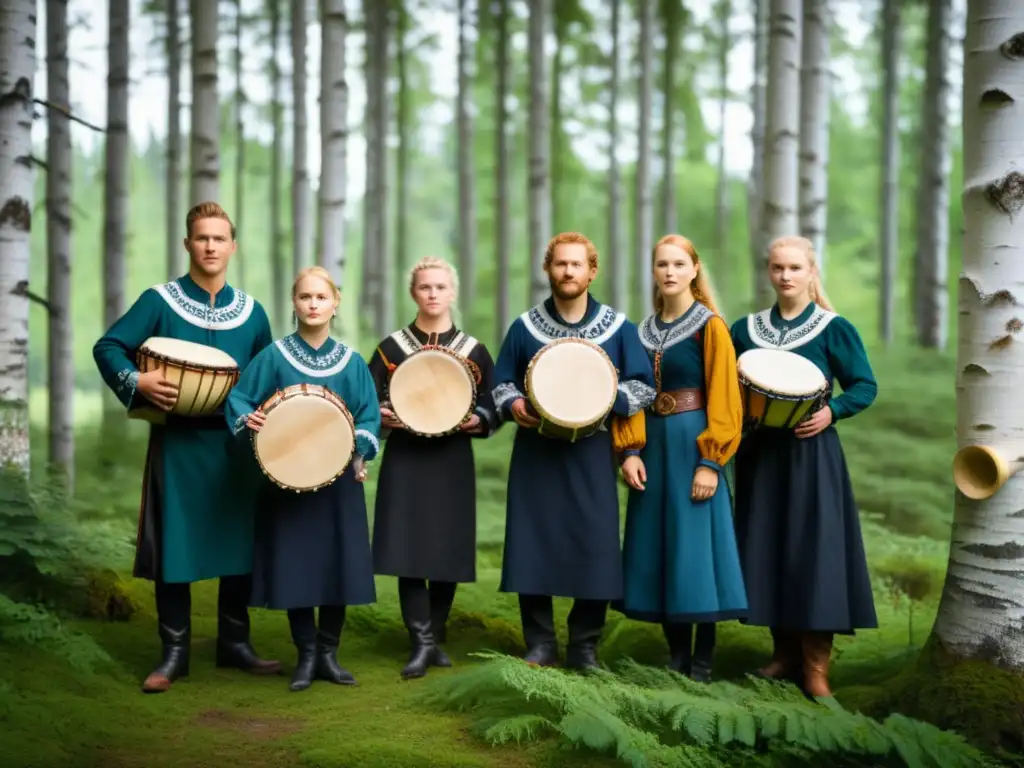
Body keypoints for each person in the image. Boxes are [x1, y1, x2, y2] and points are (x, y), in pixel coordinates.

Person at [93, 201, 281, 693]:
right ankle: (174, 653)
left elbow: (267, 374)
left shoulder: (253, 312)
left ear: (233, 246)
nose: (211, 246)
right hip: (177, 441)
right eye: (202, 238)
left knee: (239, 542)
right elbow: (108, 347)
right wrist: (136, 380)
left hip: (238, 447)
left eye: (220, 238)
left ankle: (234, 644)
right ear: (187, 244)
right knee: (175, 545)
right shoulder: (159, 300)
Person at [491, 232, 656, 669]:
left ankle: (584, 646)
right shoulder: (524, 327)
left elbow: (643, 388)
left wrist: (606, 401)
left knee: (595, 545)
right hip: (536, 451)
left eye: (576, 265)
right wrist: (513, 403)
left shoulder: (619, 328)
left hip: (591, 451)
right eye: (560, 264)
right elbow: (501, 384)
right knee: (532, 543)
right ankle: (541, 644)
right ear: (549, 269)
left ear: (591, 271)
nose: (568, 271)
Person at [730, 235, 878, 699]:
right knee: (769, 549)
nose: (786, 276)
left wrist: (833, 410)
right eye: (777, 268)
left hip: (812, 457)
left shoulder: (834, 328)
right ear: (768, 272)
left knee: (813, 553)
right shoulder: (745, 329)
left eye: (795, 268)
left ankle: (816, 667)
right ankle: (784, 655)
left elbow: (864, 385)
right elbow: (727, 388)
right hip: (760, 457)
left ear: (812, 272)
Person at [223, 266, 382, 692]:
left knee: (337, 567)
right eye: (305, 297)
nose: (313, 304)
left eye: (321, 297)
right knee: (297, 567)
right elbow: (239, 399)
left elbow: (368, 415)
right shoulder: (273, 357)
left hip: (339, 484)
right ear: (294, 303)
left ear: (335, 303)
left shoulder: (351, 362)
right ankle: (306, 653)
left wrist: (359, 453)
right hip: (285, 482)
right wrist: (248, 418)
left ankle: (329, 654)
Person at [611, 235, 747, 683]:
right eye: (661, 264)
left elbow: (726, 397)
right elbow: (629, 393)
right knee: (663, 546)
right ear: (654, 271)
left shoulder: (711, 327)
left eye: (678, 264)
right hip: (652, 447)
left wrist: (712, 462)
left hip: (694, 442)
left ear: (694, 269)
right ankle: (675, 658)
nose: (669, 272)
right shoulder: (638, 331)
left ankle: (703, 663)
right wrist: (629, 450)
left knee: (696, 550)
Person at [368, 256, 500, 679]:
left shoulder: (474, 352)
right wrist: (381, 417)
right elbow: (367, 403)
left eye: (440, 287)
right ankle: (420, 642)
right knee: (410, 550)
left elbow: (494, 402)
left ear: (452, 292)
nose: (432, 294)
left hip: (451, 458)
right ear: (414, 293)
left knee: (447, 549)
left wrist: (480, 419)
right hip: (407, 457)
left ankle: (435, 634)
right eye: (425, 287)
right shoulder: (390, 350)